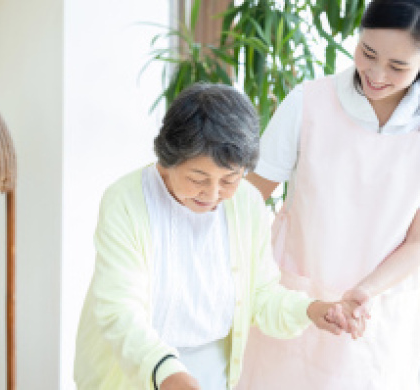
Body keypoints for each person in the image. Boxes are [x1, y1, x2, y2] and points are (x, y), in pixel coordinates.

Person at [236, 0, 420, 389]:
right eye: (368, 52)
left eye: (397, 66)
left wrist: (362, 293)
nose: (375, 74)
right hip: (296, 302)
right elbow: (246, 200)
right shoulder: (308, 102)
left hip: (376, 311)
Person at [73, 83, 346, 390]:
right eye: (197, 179)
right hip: (134, 368)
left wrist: (310, 309)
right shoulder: (125, 202)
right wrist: (167, 373)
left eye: (229, 180)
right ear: (167, 159)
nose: (213, 194)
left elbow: (261, 296)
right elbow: (120, 310)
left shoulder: (246, 202)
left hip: (211, 372)